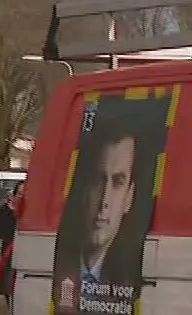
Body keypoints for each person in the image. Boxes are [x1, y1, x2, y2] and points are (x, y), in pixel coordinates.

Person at [55, 118, 143, 292]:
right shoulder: (53, 261)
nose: (105, 201)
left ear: (129, 197)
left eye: (118, 182)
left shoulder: (133, 275)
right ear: (82, 188)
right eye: (98, 181)